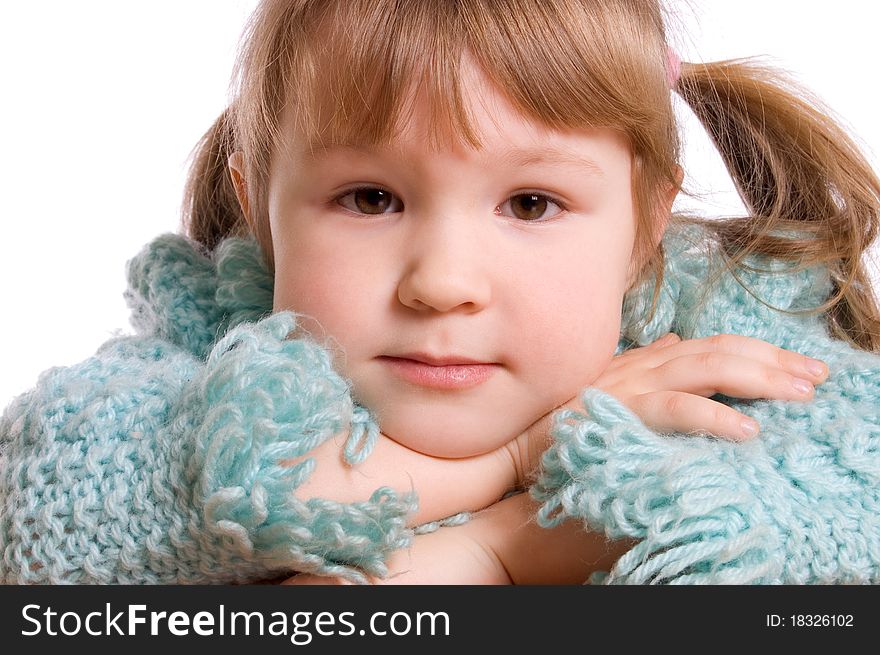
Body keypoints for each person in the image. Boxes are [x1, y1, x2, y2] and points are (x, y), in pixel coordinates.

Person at [1, 0, 878, 585]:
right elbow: (49, 530)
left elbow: (846, 507)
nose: (443, 283)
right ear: (260, 212)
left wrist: (490, 550)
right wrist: (511, 471)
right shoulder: (200, 367)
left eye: (532, 203)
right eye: (370, 198)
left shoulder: (724, 336)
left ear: (647, 221)